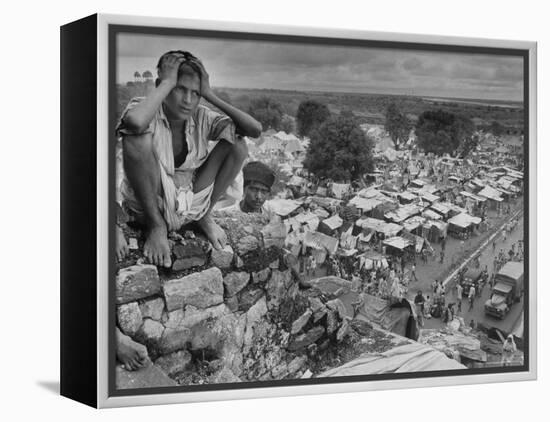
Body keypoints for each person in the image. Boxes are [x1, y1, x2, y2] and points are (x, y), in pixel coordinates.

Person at [116, 50, 262, 267]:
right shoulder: (144, 109)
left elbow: (254, 129)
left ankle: (204, 216)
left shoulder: (202, 116)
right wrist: (166, 83)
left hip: (190, 202)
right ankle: (157, 226)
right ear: (162, 86)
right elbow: (135, 123)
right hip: (148, 203)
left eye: (195, 93)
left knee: (237, 144)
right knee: (136, 138)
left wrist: (209, 94)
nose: (187, 100)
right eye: (179, 89)